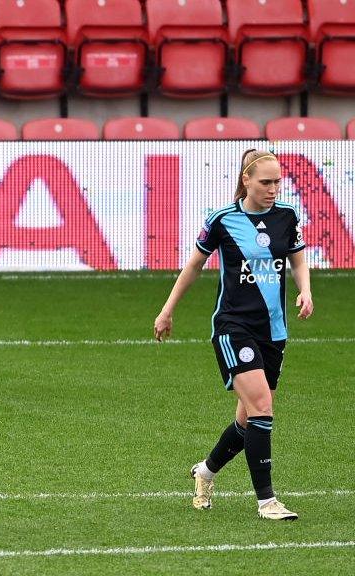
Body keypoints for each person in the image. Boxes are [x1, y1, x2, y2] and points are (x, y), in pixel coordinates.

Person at [154, 148, 313, 521]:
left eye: (277, 181)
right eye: (265, 182)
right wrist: (167, 310)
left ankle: (205, 472)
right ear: (246, 180)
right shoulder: (223, 219)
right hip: (233, 328)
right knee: (263, 409)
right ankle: (267, 502)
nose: (273, 188)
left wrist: (305, 289)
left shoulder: (287, 217)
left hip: (273, 331)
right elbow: (194, 265)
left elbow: (298, 258)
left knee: (247, 420)